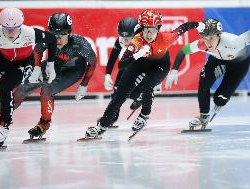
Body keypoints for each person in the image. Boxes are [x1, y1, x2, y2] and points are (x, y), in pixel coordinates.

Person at [84, 9, 201, 138]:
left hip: (159, 66)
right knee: (119, 95)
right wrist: (137, 54)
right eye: (146, 29)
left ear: (159, 28)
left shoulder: (167, 37)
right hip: (140, 62)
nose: (149, 34)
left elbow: (183, 27)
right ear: (141, 29)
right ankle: (102, 126)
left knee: (148, 84)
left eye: (153, 29)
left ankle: (144, 116)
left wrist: (200, 25)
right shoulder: (137, 40)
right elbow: (121, 64)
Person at [0, 13, 97, 140]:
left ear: (70, 32)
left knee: (47, 89)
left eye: (62, 34)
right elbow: (37, 50)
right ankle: (2, 117)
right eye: (54, 35)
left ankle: (44, 123)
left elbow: (93, 63)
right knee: (24, 86)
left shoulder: (81, 45)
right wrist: (37, 67)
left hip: (74, 70)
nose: (58, 39)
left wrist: (83, 85)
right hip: (54, 65)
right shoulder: (49, 38)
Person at [165, 18, 250, 129]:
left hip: (239, 64)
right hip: (217, 60)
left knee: (220, 99)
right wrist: (174, 70)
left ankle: (221, 98)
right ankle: (203, 116)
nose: (208, 42)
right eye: (205, 38)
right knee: (204, 82)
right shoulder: (202, 44)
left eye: (211, 38)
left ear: (219, 35)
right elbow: (183, 50)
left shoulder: (234, 42)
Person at [0, 8, 57, 145]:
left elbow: (52, 39)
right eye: (7, 29)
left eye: (16, 28)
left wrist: (50, 64)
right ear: (1, 26)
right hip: (2, 61)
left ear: (21, 26)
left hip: (23, 63)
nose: (11, 32)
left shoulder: (30, 32)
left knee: (5, 85)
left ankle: (4, 125)